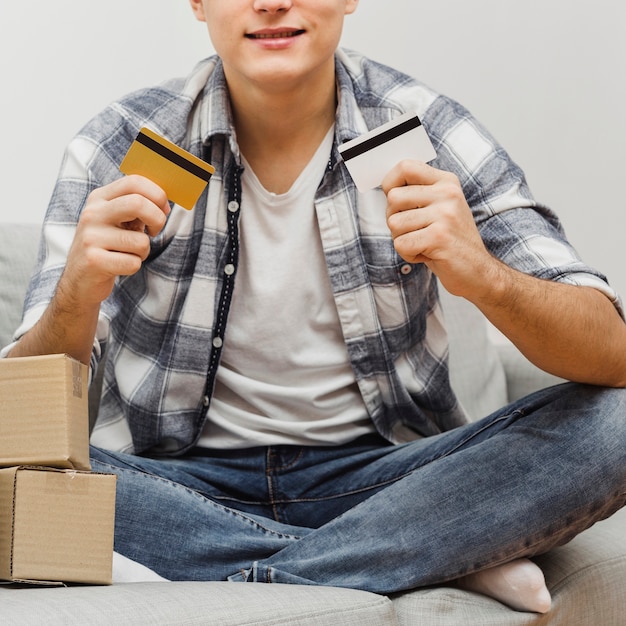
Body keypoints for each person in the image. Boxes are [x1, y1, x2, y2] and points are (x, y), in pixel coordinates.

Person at [4, 0, 626, 614]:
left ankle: (330, 556)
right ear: (196, 2)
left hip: (390, 481)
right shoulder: (119, 141)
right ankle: (422, 557)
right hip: (176, 482)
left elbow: (613, 353)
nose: (271, 3)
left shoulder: (427, 129)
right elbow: (20, 417)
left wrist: (483, 276)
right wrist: (76, 296)